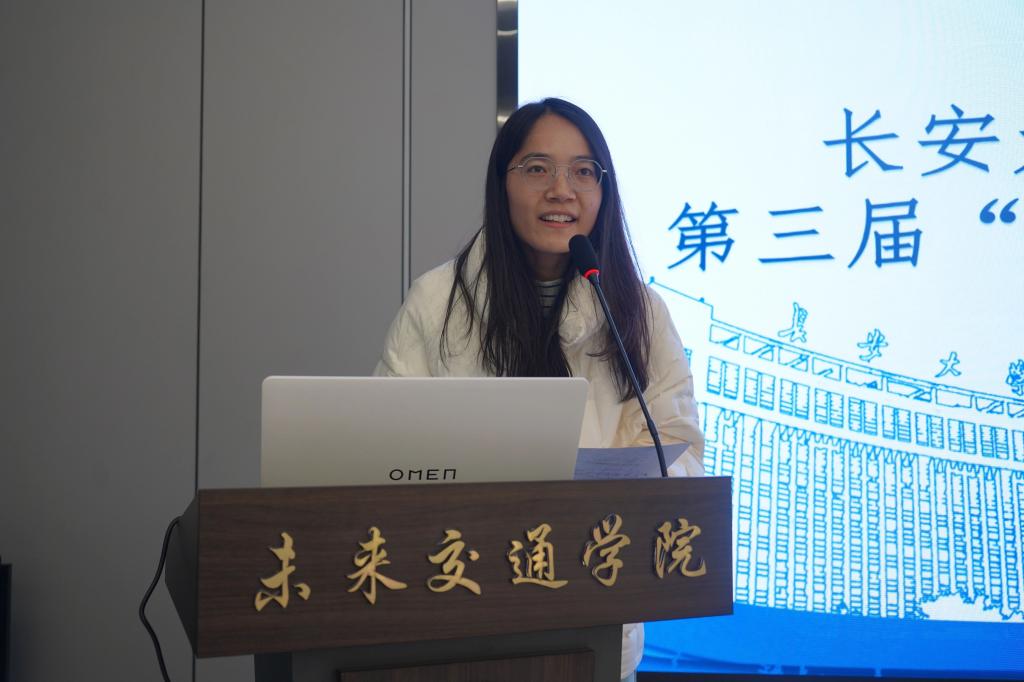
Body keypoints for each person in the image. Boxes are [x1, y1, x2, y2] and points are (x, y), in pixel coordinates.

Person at [374, 97, 704, 682]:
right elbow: (382, 452)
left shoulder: (639, 312)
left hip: (594, 610)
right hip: (458, 609)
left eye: (583, 171)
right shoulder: (437, 302)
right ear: (501, 183)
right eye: (537, 168)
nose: (561, 190)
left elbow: (677, 452)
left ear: (603, 191)